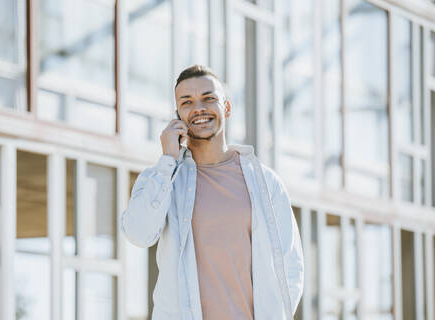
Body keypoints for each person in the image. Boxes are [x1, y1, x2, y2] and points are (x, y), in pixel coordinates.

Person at [121, 65, 303, 320]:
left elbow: (290, 267)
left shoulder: (266, 182)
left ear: (226, 108)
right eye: (187, 102)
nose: (199, 108)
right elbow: (138, 233)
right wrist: (167, 161)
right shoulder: (163, 178)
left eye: (209, 98)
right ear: (178, 116)